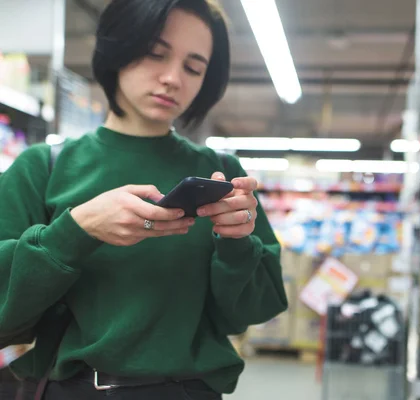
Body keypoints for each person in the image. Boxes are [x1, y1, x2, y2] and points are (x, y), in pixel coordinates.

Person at [0, 0, 288, 399]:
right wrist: (75, 231)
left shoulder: (223, 173)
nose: (172, 78)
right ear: (118, 46)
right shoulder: (43, 168)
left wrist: (237, 242)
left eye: (194, 67)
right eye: (156, 54)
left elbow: (255, 311)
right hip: (71, 389)